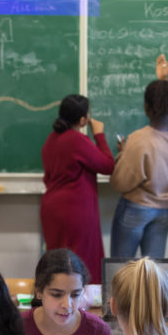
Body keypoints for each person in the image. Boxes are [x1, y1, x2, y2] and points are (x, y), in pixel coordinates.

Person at [109, 54, 168, 259]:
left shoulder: (139, 140)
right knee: (154, 269)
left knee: (121, 266)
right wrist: (163, 79)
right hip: (165, 209)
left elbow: (120, 182)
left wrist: (123, 154)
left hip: (137, 208)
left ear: (146, 107)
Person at [41, 94, 115, 284]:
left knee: (57, 263)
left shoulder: (51, 139)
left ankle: (57, 298)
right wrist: (99, 135)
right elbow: (108, 165)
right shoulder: (77, 140)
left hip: (52, 209)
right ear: (83, 120)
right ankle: (82, 302)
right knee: (81, 262)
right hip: (75, 210)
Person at [23, 248, 111, 335]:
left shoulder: (98, 330)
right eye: (56, 295)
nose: (67, 305)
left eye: (75, 295)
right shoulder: (17, 328)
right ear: (39, 291)